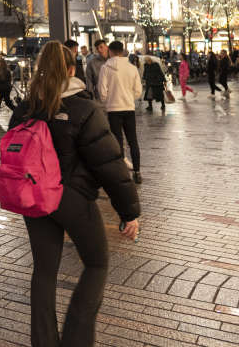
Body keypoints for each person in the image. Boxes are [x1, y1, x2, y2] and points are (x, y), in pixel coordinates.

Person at [9, 42, 140, 346]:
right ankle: (76, 340)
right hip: (72, 198)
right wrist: (129, 212)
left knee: (44, 271)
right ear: (71, 70)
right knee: (96, 263)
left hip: (34, 198)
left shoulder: (26, 107)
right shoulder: (84, 109)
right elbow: (109, 164)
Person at [98, 41, 144, 183]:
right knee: (133, 141)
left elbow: (102, 92)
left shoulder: (105, 68)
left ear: (110, 51)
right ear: (122, 51)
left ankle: (121, 173)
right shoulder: (132, 68)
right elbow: (138, 91)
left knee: (117, 142)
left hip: (113, 109)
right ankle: (137, 171)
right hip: (129, 108)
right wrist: (129, 98)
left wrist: (109, 100)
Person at [0, 58, 17, 125]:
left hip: (3, 89)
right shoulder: (5, 70)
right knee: (1, 103)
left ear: (1, 63)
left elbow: (1, 79)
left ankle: (18, 112)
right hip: (5, 88)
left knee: (5, 103)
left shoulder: (4, 71)